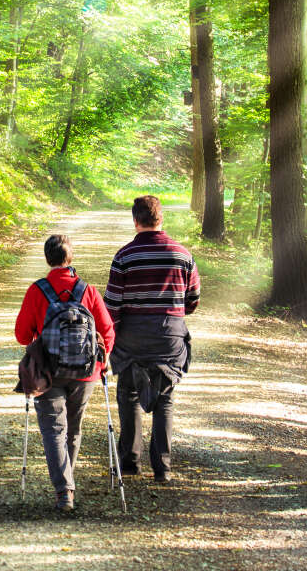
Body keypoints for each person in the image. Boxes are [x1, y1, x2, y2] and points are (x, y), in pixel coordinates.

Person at [14, 233, 116, 511]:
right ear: (70, 258)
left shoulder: (37, 290)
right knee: (73, 428)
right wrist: (104, 361)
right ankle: (67, 482)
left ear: (48, 259)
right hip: (86, 372)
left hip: (47, 373)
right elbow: (107, 331)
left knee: (53, 430)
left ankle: (64, 491)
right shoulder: (89, 291)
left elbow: (22, 336)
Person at [103, 194, 199, 484]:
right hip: (169, 334)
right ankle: (163, 468)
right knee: (165, 398)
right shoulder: (183, 256)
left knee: (129, 394)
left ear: (135, 222)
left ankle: (130, 462)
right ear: (161, 219)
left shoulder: (124, 257)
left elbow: (112, 306)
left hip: (132, 335)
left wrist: (113, 340)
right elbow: (192, 301)